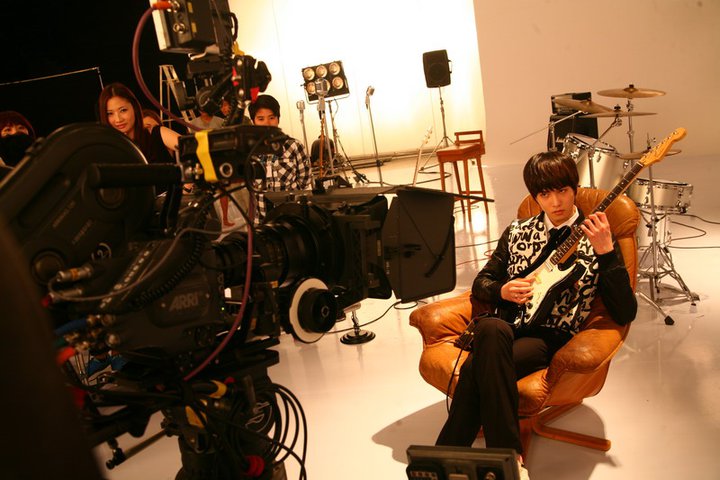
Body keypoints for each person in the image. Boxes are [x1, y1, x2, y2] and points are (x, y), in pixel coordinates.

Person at [435, 151, 637, 479]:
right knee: (491, 331)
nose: (556, 202)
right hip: (507, 327)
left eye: (563, 191)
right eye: (545, 194)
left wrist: (606, 252)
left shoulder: (598, 236)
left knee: (475, 367)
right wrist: (502, 290)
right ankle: (509, 462)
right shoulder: (518, 232)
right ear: (535, 197)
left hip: (549, 336)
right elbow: (482, 282)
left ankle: (445, 458)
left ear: (574, 189)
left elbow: (625, 311)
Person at [248, 94, 312, 221]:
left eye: (271, 118)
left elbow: (305, 181)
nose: (267, 123)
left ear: (278, 118)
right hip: (261, 220)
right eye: (261, 119)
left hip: (291, 217)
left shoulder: (294, 146)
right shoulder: (250, 151)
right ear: (253, 121)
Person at [98, 82, 179, 164]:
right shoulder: (109, 149)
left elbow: (186, 146)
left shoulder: (155, 133)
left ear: (134, 107)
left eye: (123, 110)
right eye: (110, 113)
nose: (118, 119)